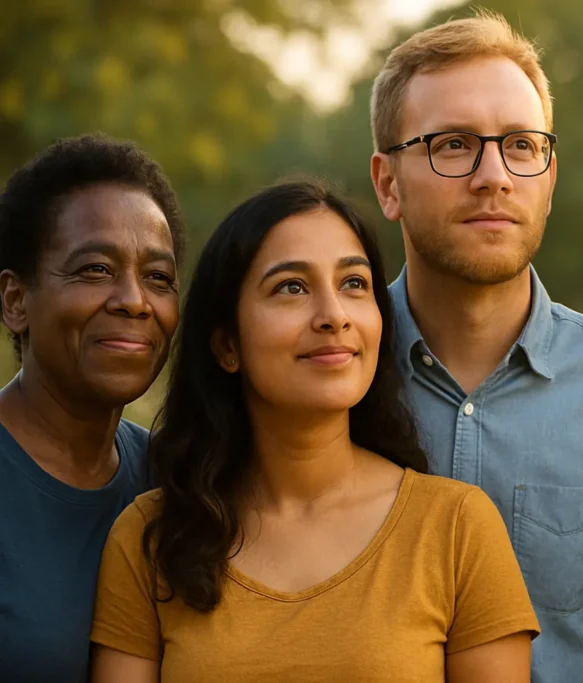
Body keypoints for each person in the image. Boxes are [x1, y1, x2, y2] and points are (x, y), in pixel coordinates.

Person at [89, 180, 539, 682]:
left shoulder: (457, 528)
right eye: (292, 288)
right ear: (226, 345)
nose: (333, 316)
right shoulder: (150, 536)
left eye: (353, 284)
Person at [369, 12, 583, 682]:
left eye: (521, 146)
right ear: (387, 183)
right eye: (453, 144)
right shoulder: (329, 371)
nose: (493, 175)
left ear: (548, 181)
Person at [0, 134, 183, 683]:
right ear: (15, 301)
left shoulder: (176, 482)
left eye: (158, 278)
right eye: (95, 270)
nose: (133, 299)